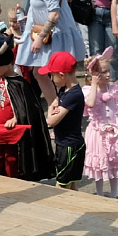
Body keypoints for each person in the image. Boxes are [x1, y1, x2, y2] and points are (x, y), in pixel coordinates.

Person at [0, 34, 52, 180]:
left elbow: (29, 108)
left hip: (11, 135)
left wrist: (16, 118)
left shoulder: (20, 83)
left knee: (12, 164)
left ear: (7, 63)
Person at [18, 0, 85, 91]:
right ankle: (55, 102)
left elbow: (54, 13)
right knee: (40, 73)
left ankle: (65, 103)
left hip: (55, 36)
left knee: (59, 75)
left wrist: (39, 38)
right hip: (53, 35)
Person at [81, 50, 118, 197]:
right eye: (103, 72)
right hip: (98, 133)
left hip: (114, 132)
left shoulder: (116, 90)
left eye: (108, 71)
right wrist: (93, 83)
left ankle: (114, 193)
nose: (108, 75)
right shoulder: (88, 91)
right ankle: (99, 193)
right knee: (100, 165)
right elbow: (90, 103)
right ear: (95, 74)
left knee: (115, 163)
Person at [40, 52, 86, 190]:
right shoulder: (64, 90)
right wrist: (53, 105)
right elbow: (55, 102)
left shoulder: (73, 95)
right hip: (65, 144)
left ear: (61, 75)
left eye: (52, 75)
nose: (51, 79)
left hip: (69, 147)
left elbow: (51, 121)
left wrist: (50, 110)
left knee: (61, 186)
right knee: (71, 185)